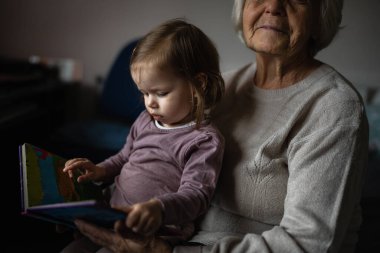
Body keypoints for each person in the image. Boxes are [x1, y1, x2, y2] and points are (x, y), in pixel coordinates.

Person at [71, 0, 369, 252]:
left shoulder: (334, 108)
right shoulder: (220, 87)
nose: (274, 6)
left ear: (320, 17)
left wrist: (171, 250)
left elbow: (308, 243)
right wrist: (98, 209)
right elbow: (155, 162)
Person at [60, 18, 225, 252]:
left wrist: (159, 209)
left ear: (197, 85)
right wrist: (99, 170)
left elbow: (196, 195)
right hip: (111, 216)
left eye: (161, 93)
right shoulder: (145, 120)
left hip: (153, 234)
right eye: (144, 93)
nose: (150, 104)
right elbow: (123, 157)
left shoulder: (203, 140)